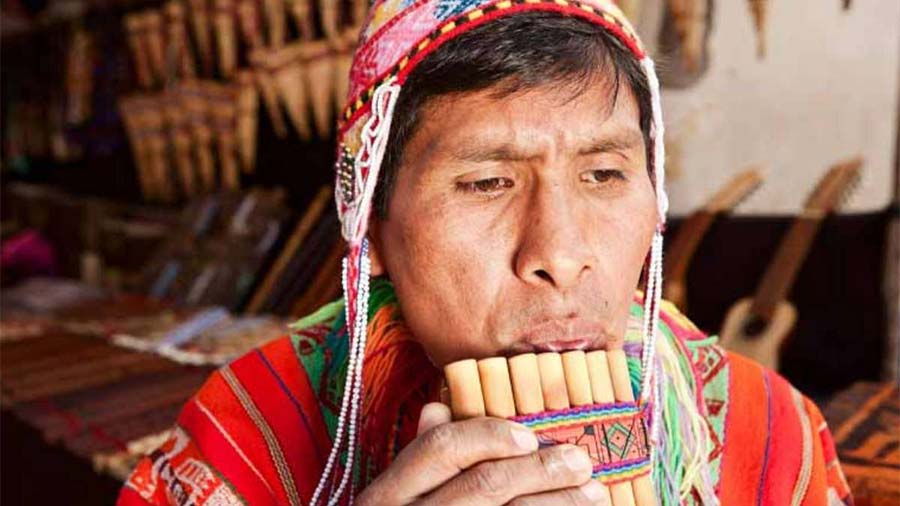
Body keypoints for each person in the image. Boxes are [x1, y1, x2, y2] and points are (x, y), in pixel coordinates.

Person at [118, 1, 853, 504]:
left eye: (604, 174)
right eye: (486, 182)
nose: (561, 255)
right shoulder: (249, 429)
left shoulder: (770, 432)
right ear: (370, 229)